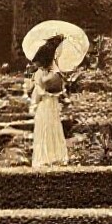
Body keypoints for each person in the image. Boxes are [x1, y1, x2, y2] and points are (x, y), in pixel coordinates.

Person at [31, 36, 68, 167]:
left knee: (51, 127)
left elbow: (47, 90)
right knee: (46, 127)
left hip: (50, 103)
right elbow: (40, 90)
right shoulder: (43, 73)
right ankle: (47, 156)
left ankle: (54, 156)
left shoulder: (51, 73)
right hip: (47, 103)